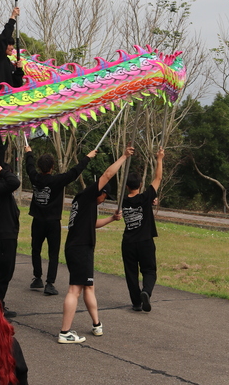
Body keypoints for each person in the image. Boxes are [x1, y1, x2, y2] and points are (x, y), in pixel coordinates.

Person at [57, 147, 132, 344]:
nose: (104, 200)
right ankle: (65, 332)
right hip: (80, 247)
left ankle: (97, 324)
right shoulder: (90, 195)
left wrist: (111, 219)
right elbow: (108, 174)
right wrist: (124, 156)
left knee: (89, 286)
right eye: (105, 197)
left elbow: (92, 224)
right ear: (100, 193)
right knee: (75, 289)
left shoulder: (82, 202)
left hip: (78, 246)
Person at [24, 145, 96, 296]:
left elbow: (29, 166)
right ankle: (49, 283)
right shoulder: (58, 180)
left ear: (39, 166)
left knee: (35, 249)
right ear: (52, 167)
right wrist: (87, 157)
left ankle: (37, 277)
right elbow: (75, 172)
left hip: (37, 221)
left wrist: (29, 152)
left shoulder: (34, 177)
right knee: (53, 253)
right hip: (52, 222)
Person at [121, 148, 163, 312]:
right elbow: (158, 177)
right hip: (145, 241)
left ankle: (136, 302)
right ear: (140, 185)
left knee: (131, 273)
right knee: (149, 270)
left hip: (128, 242)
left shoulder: (123, 202)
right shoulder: (145, 197)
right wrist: (159, 158)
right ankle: (146, 291)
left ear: (126, 186)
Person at [0, 7, 25, 166]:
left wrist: (19, 69)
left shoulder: (9, 64)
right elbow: (3, 40)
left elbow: (17, 84)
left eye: (12, 46)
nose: (11, 48)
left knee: (2, 141)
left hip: (6, 104)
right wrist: (12, 18)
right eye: (9, 46)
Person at [0, 162, 21, 318]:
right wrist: (2, 172)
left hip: (7, 237)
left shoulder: (3, 192)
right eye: (8, 173)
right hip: (2, 238)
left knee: (5, 274)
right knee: (2, 275)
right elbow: (15, 182)